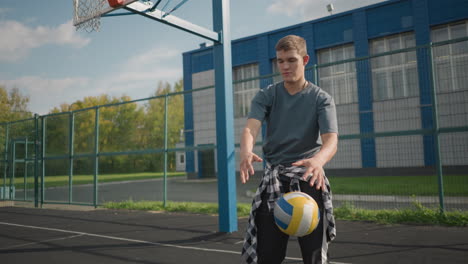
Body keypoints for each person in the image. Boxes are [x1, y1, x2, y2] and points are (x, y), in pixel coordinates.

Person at [240, 35, 338, 264]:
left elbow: (331, 140)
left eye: (291, 60)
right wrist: (246, 150)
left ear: (305, 60)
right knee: (267, 256)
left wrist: (318, 161)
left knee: (313, 257)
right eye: (280, 61)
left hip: (308, 178)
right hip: (274, 180)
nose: (284, 66)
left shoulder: (321, 99)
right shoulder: (267, 95)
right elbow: (250, 129)